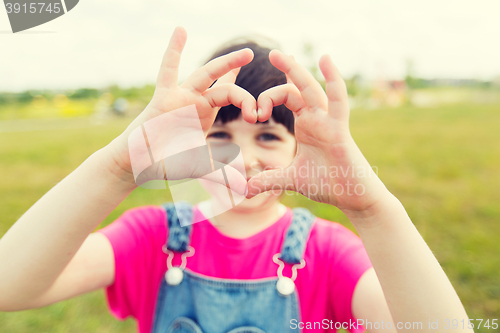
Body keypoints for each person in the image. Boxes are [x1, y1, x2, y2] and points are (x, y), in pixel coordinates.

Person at [0, 26, 472, 333]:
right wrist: (120, 166)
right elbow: (10, 287)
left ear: (296, 148)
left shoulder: (326, 253)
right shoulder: (154, 237)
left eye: (267, 135)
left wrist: (372, 211)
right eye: (221, 133)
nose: (242, 159)